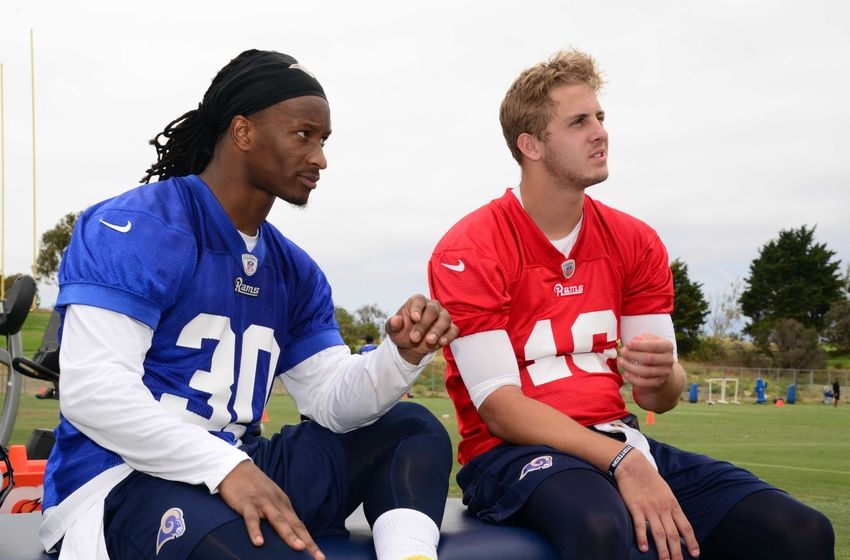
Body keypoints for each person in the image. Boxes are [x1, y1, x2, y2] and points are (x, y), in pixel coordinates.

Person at [40, 49, 458, 560]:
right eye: (303, 134)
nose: (320, 158)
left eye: (323, 141)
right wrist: (224, 468)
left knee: (409, 429)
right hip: (125, 476)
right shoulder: (141, 225)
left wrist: (399, 357)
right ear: (243, 133)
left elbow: (328, 401)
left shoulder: (293, 268)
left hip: (239, 463)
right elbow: (93, 393)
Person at [428, 49, 834, 560]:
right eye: (579, 122)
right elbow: (500, 410)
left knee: (799, 531)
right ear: (530, 144)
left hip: (617, 437)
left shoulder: (634, 240)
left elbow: (659, 398)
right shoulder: (471, 247)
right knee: (601, 525)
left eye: (600, 117)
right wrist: (623, 461)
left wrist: (663, 375)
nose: (600, 131)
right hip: (511, 456)